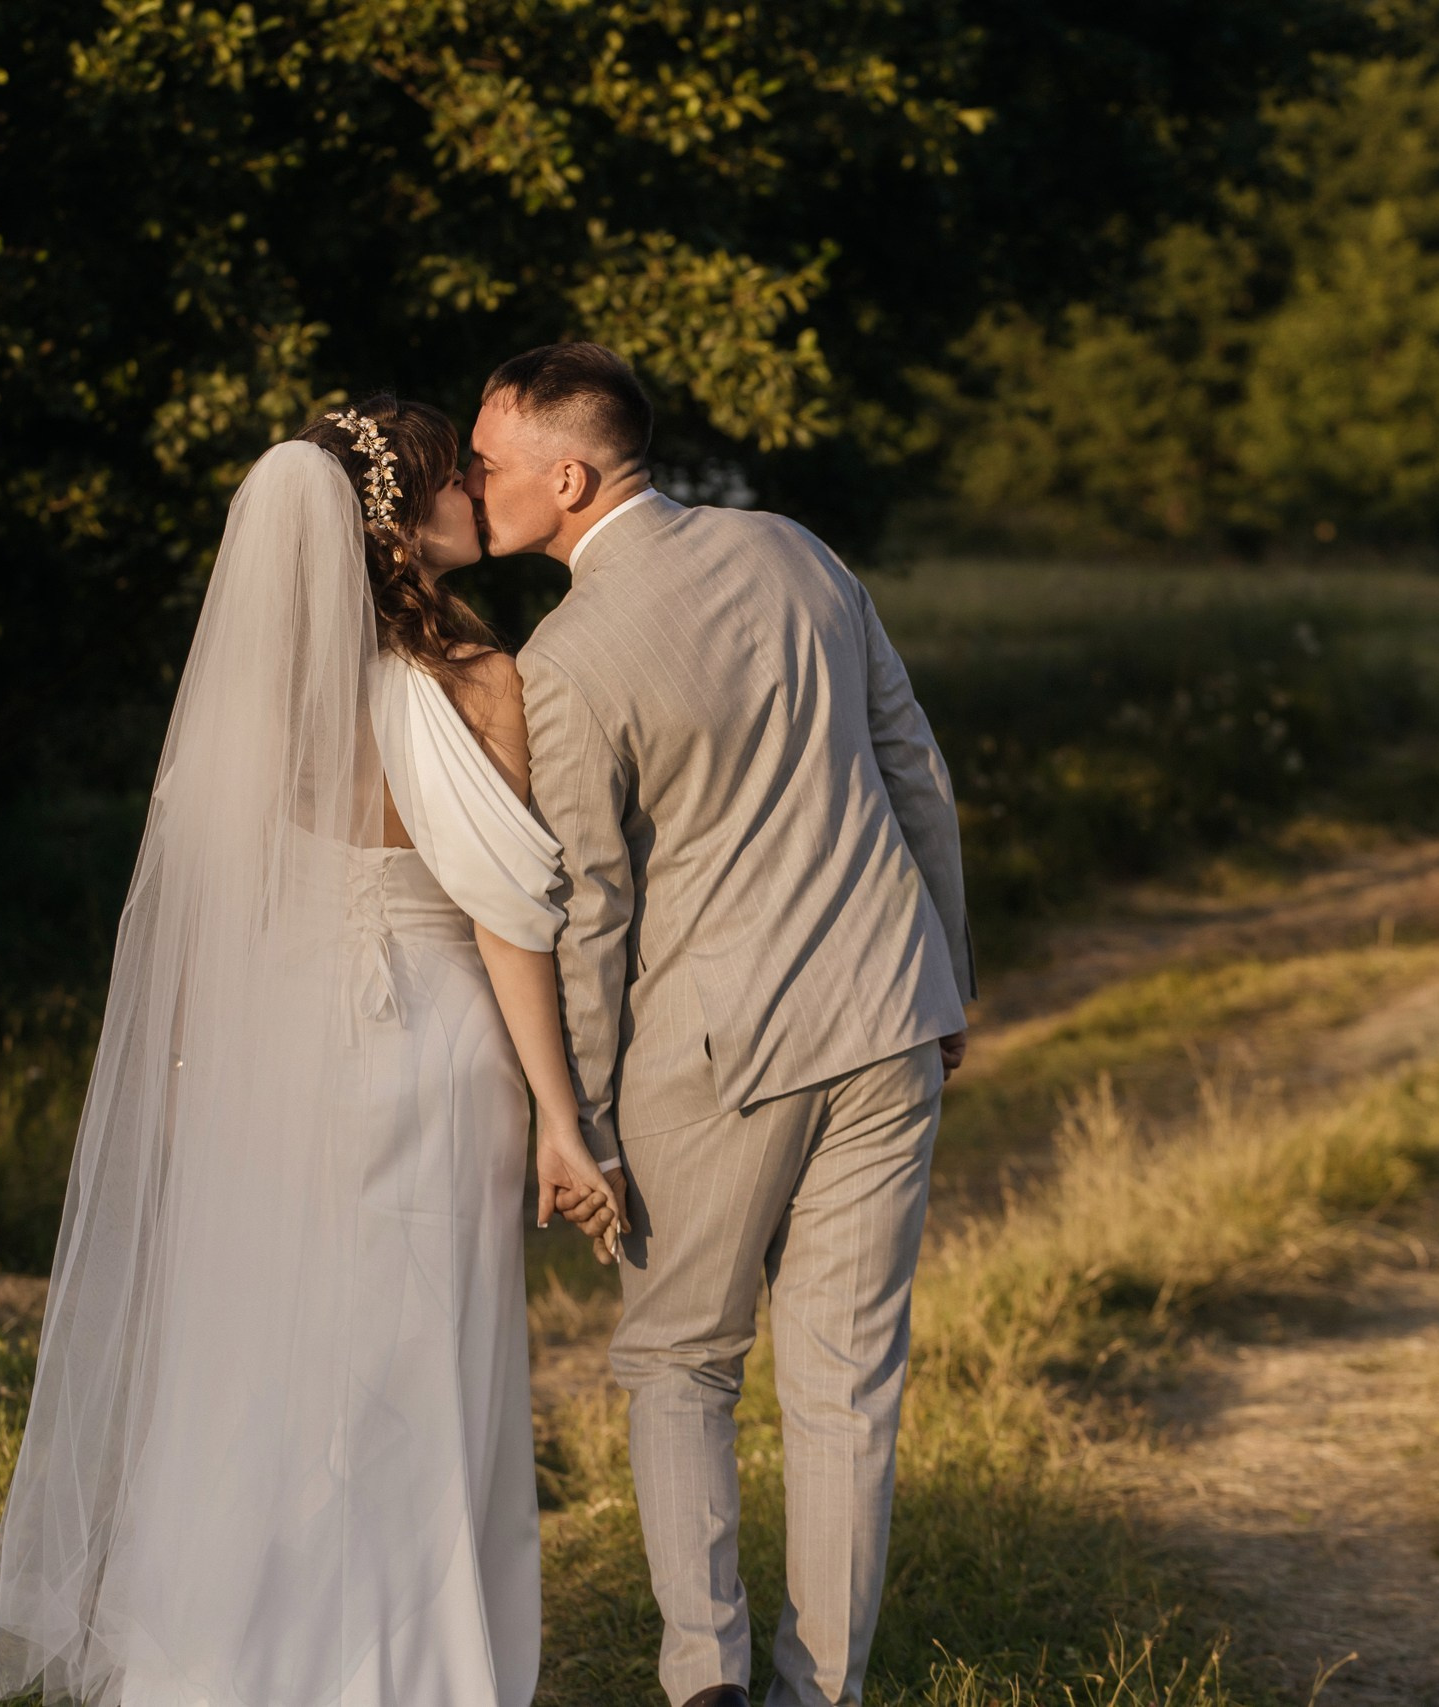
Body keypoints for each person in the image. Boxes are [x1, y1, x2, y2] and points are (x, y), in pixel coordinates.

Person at [0, 398, 620, 1706]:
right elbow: (507, 920)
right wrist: (563, 1113)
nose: (477, 496)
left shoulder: (259, 697)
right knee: (423, 1374)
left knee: (273, 1368)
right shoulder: (481, 679)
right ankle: (420, 1670)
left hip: (281, 1051)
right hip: (440, 1049)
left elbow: (212, 912)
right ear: (402, 517)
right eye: (455, 480)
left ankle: (240, 1659)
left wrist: (197, 1092)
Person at [467, 344, 976, 1707]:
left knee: (679, 1361)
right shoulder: (795, 549)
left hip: (717, 1057)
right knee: (845, 1385)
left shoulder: (565, 654)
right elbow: (911, 762)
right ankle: (823, 1693)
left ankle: (706, 1680)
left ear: (566, 479)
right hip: (889, 1009)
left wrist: (575, 1116)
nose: (471, 486)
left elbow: (591, 908)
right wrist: (949, 978)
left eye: (487, 464)